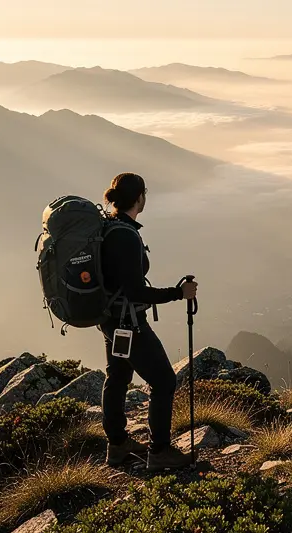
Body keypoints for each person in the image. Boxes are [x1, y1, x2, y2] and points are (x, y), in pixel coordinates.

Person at [98, 172, 198, 471]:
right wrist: (178, 293)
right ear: (139, 197)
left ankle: (116, 445)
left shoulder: (107, 227)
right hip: (129, 322)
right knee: (165, 381)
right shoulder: (125, 235)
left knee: (117, 378)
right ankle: (160, 452)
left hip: (109, 320)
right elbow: (135, 290)